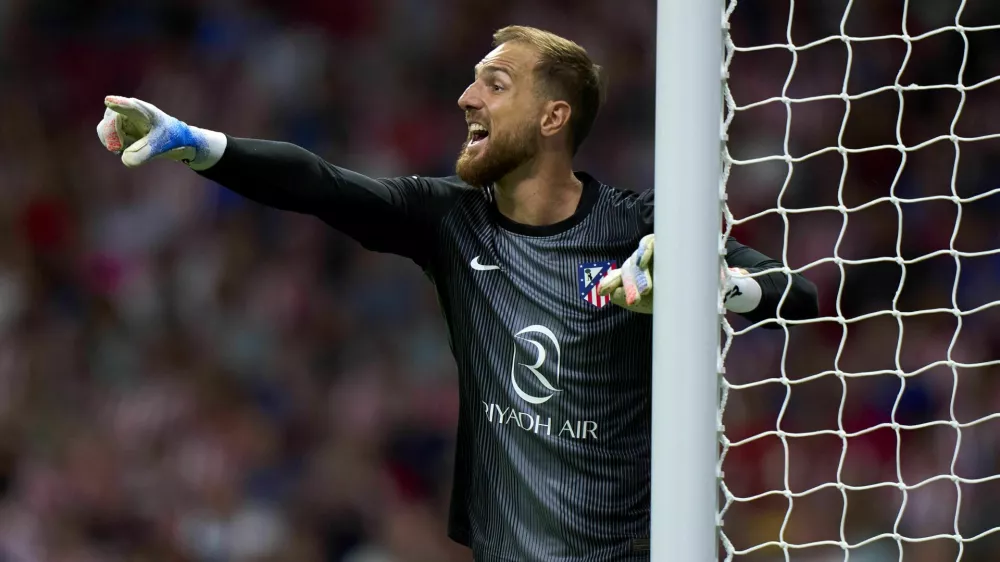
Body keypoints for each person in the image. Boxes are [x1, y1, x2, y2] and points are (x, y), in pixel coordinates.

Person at [96, 25, 819, 562]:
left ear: (553, 117)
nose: (466, 97)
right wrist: (196, 143)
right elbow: (322, 185)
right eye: (474, 81)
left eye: (495, 84)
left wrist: (708, 287)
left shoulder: (642, 227)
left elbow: (797, 294)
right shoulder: (450, 220)